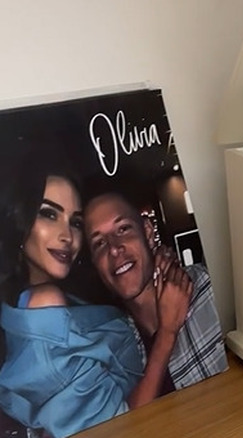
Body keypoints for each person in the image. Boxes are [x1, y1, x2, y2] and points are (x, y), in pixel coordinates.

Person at [0, 160, 191, 438]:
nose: (67, 236)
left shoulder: (49, 298)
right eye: (49, 215)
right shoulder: (44, 303)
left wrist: (154, 262)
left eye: (75, 222)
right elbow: (121, 428)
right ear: (20, 220)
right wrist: (167, 334)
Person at [83, 191, 227, 393]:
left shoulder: (210, 291)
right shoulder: (115, 351)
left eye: (123, 229)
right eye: (99, 243)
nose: (114, 249)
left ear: (148, 234)